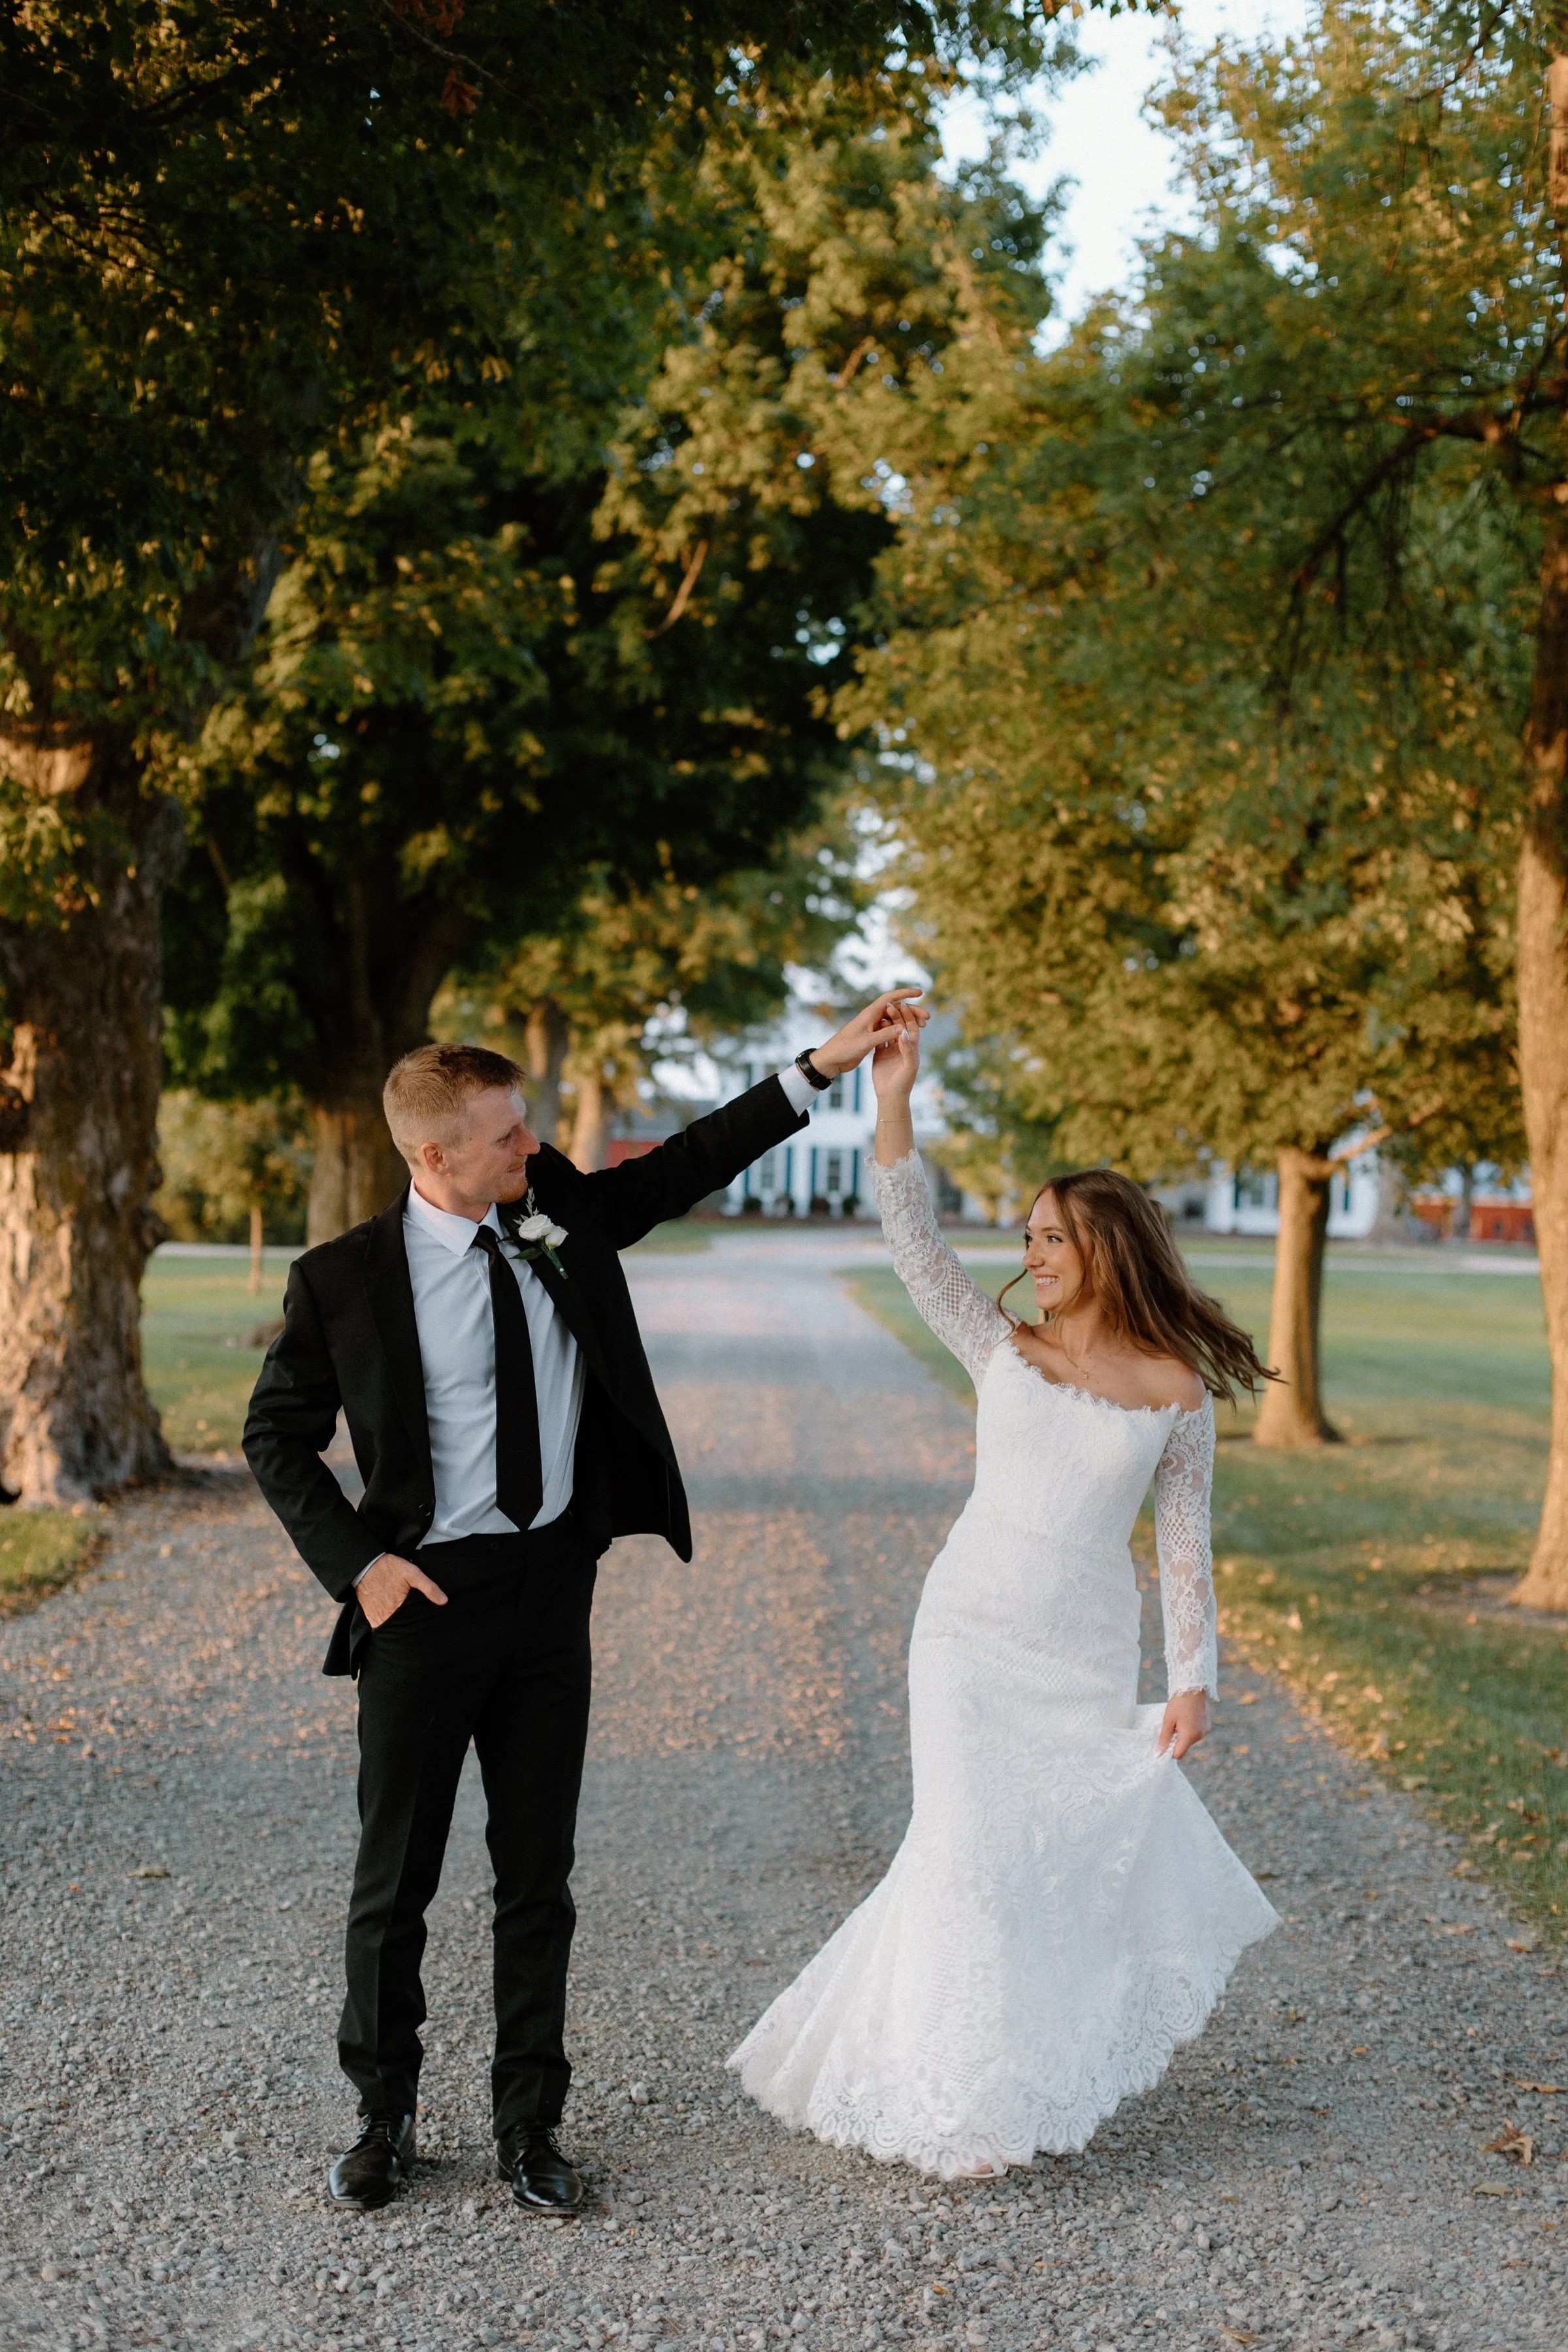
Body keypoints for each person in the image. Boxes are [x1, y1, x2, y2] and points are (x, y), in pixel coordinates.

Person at [242, 992, 925, 2215]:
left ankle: (527, 2127)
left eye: (529, 1131)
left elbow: (683, 1164)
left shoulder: (554, 1211)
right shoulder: (341, 1282)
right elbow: (275, 1437)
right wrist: (362, 1566)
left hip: (550, 1594)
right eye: (508, 1137)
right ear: (432, 1156)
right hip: (423, 1604)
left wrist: (821, 1065)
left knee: (537, 1879)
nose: (534, 1149)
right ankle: (383, 2120)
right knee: (395, 1881)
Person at [729, 1005, 1281, 2180]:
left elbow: (1186, 1545)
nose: (1031, 1256)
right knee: (968, 1851)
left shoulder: (1176, 1390)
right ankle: (960, 2103)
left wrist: (1195, 1682)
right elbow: (913, 1236)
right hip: (969, 1635)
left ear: (1109, 1251)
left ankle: (1017, 2068)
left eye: (1052, 1240)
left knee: (1042, 1865)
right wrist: (892, 1094)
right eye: (1028, 1237)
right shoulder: (1000, 1348)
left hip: (1081, 1651)